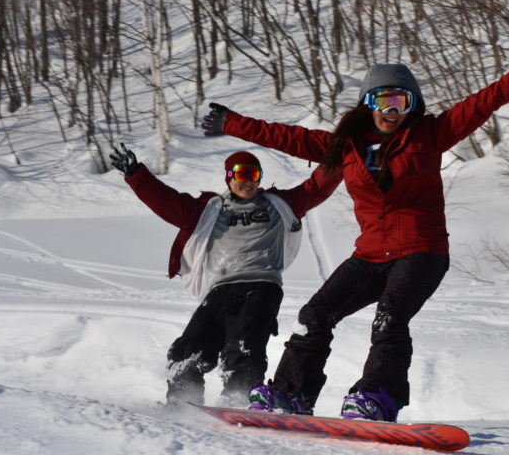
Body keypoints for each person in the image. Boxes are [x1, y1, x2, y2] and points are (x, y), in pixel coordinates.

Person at [199, 48, 509, 421]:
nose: (391, 111)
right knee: (314, 315)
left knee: (389, 318)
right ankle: (290, 393)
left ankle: (378, 397)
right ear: (367, 103)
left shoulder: (429, 135)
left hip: (421, 251)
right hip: (371, 254)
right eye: (382, 100)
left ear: (412, 105)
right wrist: (232, 123)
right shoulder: (346, 145)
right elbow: (286, 136)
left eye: (400, 102)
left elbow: (480, 104)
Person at [109, 144, 339, 407]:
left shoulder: (280, 204)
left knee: (244, 344)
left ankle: (238, 398)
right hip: (221, 289)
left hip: (262, 286)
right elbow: (166, 201)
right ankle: (183, 400)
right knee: (188, 348)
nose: (248, 182)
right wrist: (136, 174)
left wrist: (343, 155)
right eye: (241, 174)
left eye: (254, 175)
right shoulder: (210, 209)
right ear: (229, 177)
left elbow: (317, 186)